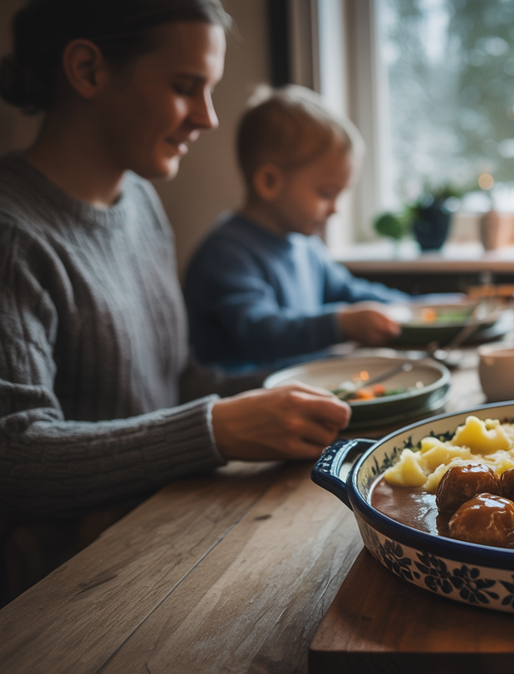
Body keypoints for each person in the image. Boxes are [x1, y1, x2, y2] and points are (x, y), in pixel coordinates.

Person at [0, 0, 351, 597]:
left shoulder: (139, 204)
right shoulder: (14, 235)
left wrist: (318, 385)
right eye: (187, 88)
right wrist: (215, 429)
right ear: (87, 70)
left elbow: (178, 381)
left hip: (164, 532)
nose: (209, 119)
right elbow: (16, 457)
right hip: (68, 588)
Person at [183, 86, 418, 373]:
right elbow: (260, 333)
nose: (335, 209)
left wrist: (418, 310)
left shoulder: (306, 246)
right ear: (269, 182)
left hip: (302, 387)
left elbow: (349, 291)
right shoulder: (226, 255)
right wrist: (341, 324)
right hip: (248, 400)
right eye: (326, 193)